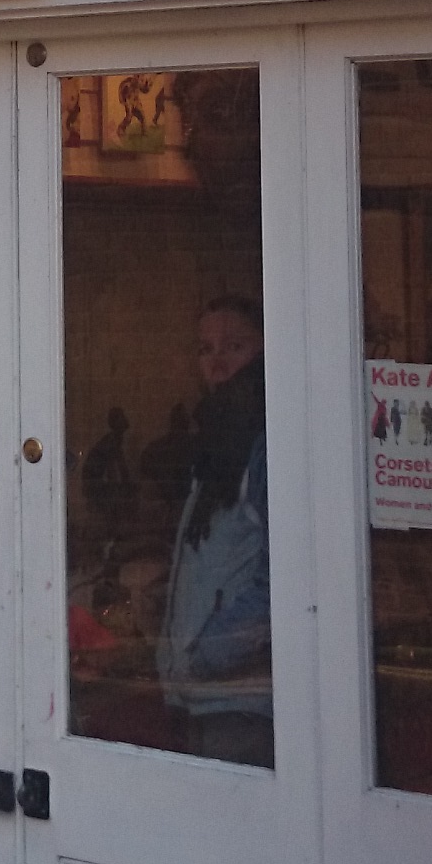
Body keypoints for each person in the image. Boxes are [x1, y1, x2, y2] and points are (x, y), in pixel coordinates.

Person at [158, 296, 273, 763]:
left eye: (234, 346)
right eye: (205, 349)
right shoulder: (215, 444)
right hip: (204, 694)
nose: (217, 363)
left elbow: (287, 577)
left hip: (244, 699)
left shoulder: (265, 445)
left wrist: (210, 651)